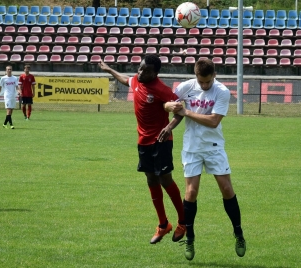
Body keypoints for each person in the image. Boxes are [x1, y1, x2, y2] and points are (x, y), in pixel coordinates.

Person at [161, 59, 246, 261]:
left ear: (214, 75)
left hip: (214, 147)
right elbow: (168, 104)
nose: (205, 85)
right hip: (192, 147)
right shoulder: (185, 87)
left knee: (226, 189)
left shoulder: (222, 91)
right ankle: (190, 238)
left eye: (208, 82)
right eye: (202, 82)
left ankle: (239, 233)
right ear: (196, 75)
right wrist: (169, 108)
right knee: (191, 192)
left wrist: (186, 111)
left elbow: (214, 121)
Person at [98, 55, 186, 244]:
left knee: (165, 179)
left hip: (161, 140)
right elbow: (125, 79)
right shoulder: (138, 80)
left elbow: (180, 110)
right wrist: (109, 69)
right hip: (143, 141)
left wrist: (169, 128)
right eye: (139, 68)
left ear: (155, 73)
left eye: (145, 70)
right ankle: (163, 225)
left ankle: (183, 221)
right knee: (151, 178)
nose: (140, 72)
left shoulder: (162, 89)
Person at [0, 65, 20, 129]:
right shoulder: (3, 78)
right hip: (7, 96)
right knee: (8, 110)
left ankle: (4, 124)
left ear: (12, 70)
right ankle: (11, 125)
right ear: (6, 70)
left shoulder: (14, 78)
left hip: (13, 96)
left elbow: (16, 87)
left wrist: (19, 91)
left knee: (11, 111)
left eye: (10, 69)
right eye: (8, 69)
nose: (9, 70)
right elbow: (0, 88)